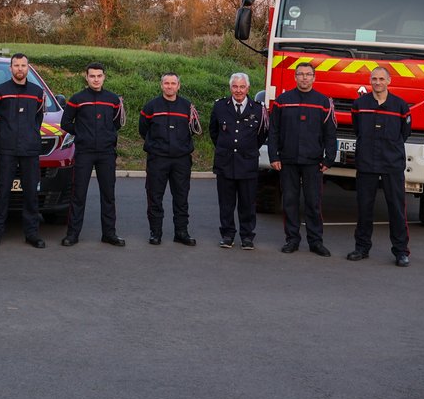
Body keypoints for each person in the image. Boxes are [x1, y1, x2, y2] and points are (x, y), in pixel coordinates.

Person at [268, 64, 336, 257]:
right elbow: (273, 130)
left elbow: (330, 133)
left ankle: (316, 242)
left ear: (314, 77)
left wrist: (329, 159)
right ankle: (292, 240)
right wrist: (274, 156)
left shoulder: (323, 102)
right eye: (301, 74)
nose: (304, 78)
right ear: (295, 77)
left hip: (313, 162)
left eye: (308, 74)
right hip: (288, 160)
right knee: (289, 202)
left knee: (313, 203)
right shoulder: (282, 101)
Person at [348, 66, 412, 267]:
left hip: (392, 163)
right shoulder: (359, 104)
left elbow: (405, 133)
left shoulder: (400, 106)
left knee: (396, 209)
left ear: (389, 81)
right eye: (374, 79)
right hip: (367, 162)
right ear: (370, 81)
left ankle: (401, 251)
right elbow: (357, 129)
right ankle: (361, 248)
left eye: (381, 79)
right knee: (364, 207)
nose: (377, 82)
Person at [59, 62, 126, 247]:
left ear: (104, 77)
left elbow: (117, 123)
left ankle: (109, 234)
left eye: (99, 76)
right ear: (86, 77)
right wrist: (82, 133)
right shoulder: (77, 99)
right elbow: (65, 123)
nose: (96, 79)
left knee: (108, 195)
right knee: (78, 194)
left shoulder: (113, 99)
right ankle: (72, 234)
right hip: (84, 152)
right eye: (92, 76)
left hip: (106, 153)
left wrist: (107, 135)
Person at [0, 53, 47, 248]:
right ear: (10, 68)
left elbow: (38, 119)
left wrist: (30, 135)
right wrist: (4, 135)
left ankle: (32, 234)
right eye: (16, 65)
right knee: (2, 192)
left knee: (31, 193)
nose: (20, 69)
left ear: (28, 68)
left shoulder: (37, 92)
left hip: (30, 150)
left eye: (23, 65)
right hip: (6, 149)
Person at [138, 72, 200, 246]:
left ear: (178, 86)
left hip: (181, 160)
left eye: (173, 83)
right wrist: (156, 146)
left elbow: (194, 129)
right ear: (161, 85)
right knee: (155, 197)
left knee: (181, 197)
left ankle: (181, 232)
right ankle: (155, 233)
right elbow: (143, 130)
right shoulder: (151, 106)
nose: (170, 86)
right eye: (166, 83)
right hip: (158, 159)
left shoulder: (187, 106)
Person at [208, 72, 268, 250]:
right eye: (235, 86)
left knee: (247, 203)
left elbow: (262, 134)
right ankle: (227, 235)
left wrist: (248, 149)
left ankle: (247, 236)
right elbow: (214, 132)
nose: (238, 90)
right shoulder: (220, 106)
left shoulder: (258, 109)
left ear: (248, 88)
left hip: (247, 163)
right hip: (225, 162)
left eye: (242, 87)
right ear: (230, 88)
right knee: (226, 203)